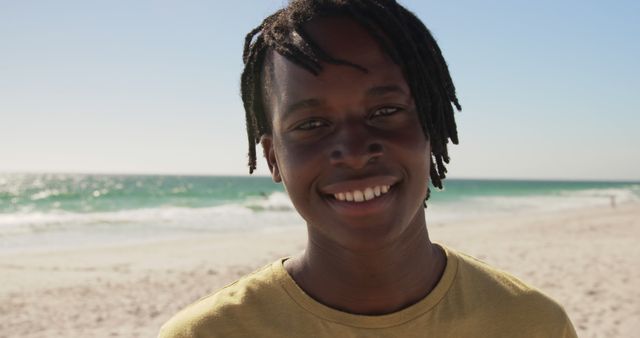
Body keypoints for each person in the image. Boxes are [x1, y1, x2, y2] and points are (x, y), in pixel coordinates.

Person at [159, 0, 577, 336]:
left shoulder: (531, 325)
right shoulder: (208, 333)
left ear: (432, 125)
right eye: (312, 124)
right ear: (273, 158)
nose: (355, 151)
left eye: (385, 110)